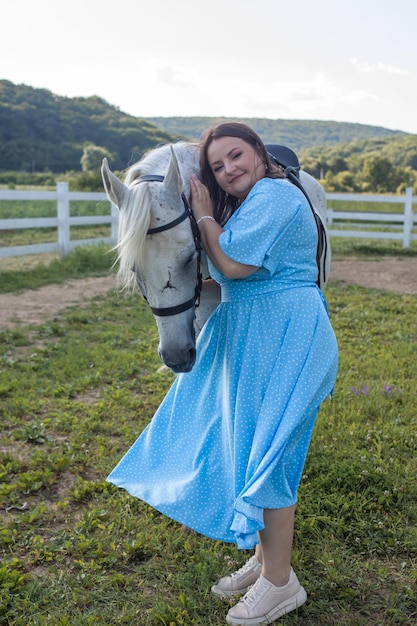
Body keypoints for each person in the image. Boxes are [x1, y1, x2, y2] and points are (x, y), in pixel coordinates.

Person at [107, 122, 338, 625]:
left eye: (236, 156)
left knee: (270, 459)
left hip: (285, 336)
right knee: (254, 449)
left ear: (258, 151)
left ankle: (282, 583)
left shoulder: (275, 195)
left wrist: (206, 214)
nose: (228, 169)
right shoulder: (256, 201)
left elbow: (230, 265)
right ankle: (264, 561)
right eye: (216, 166)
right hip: (259, 335)